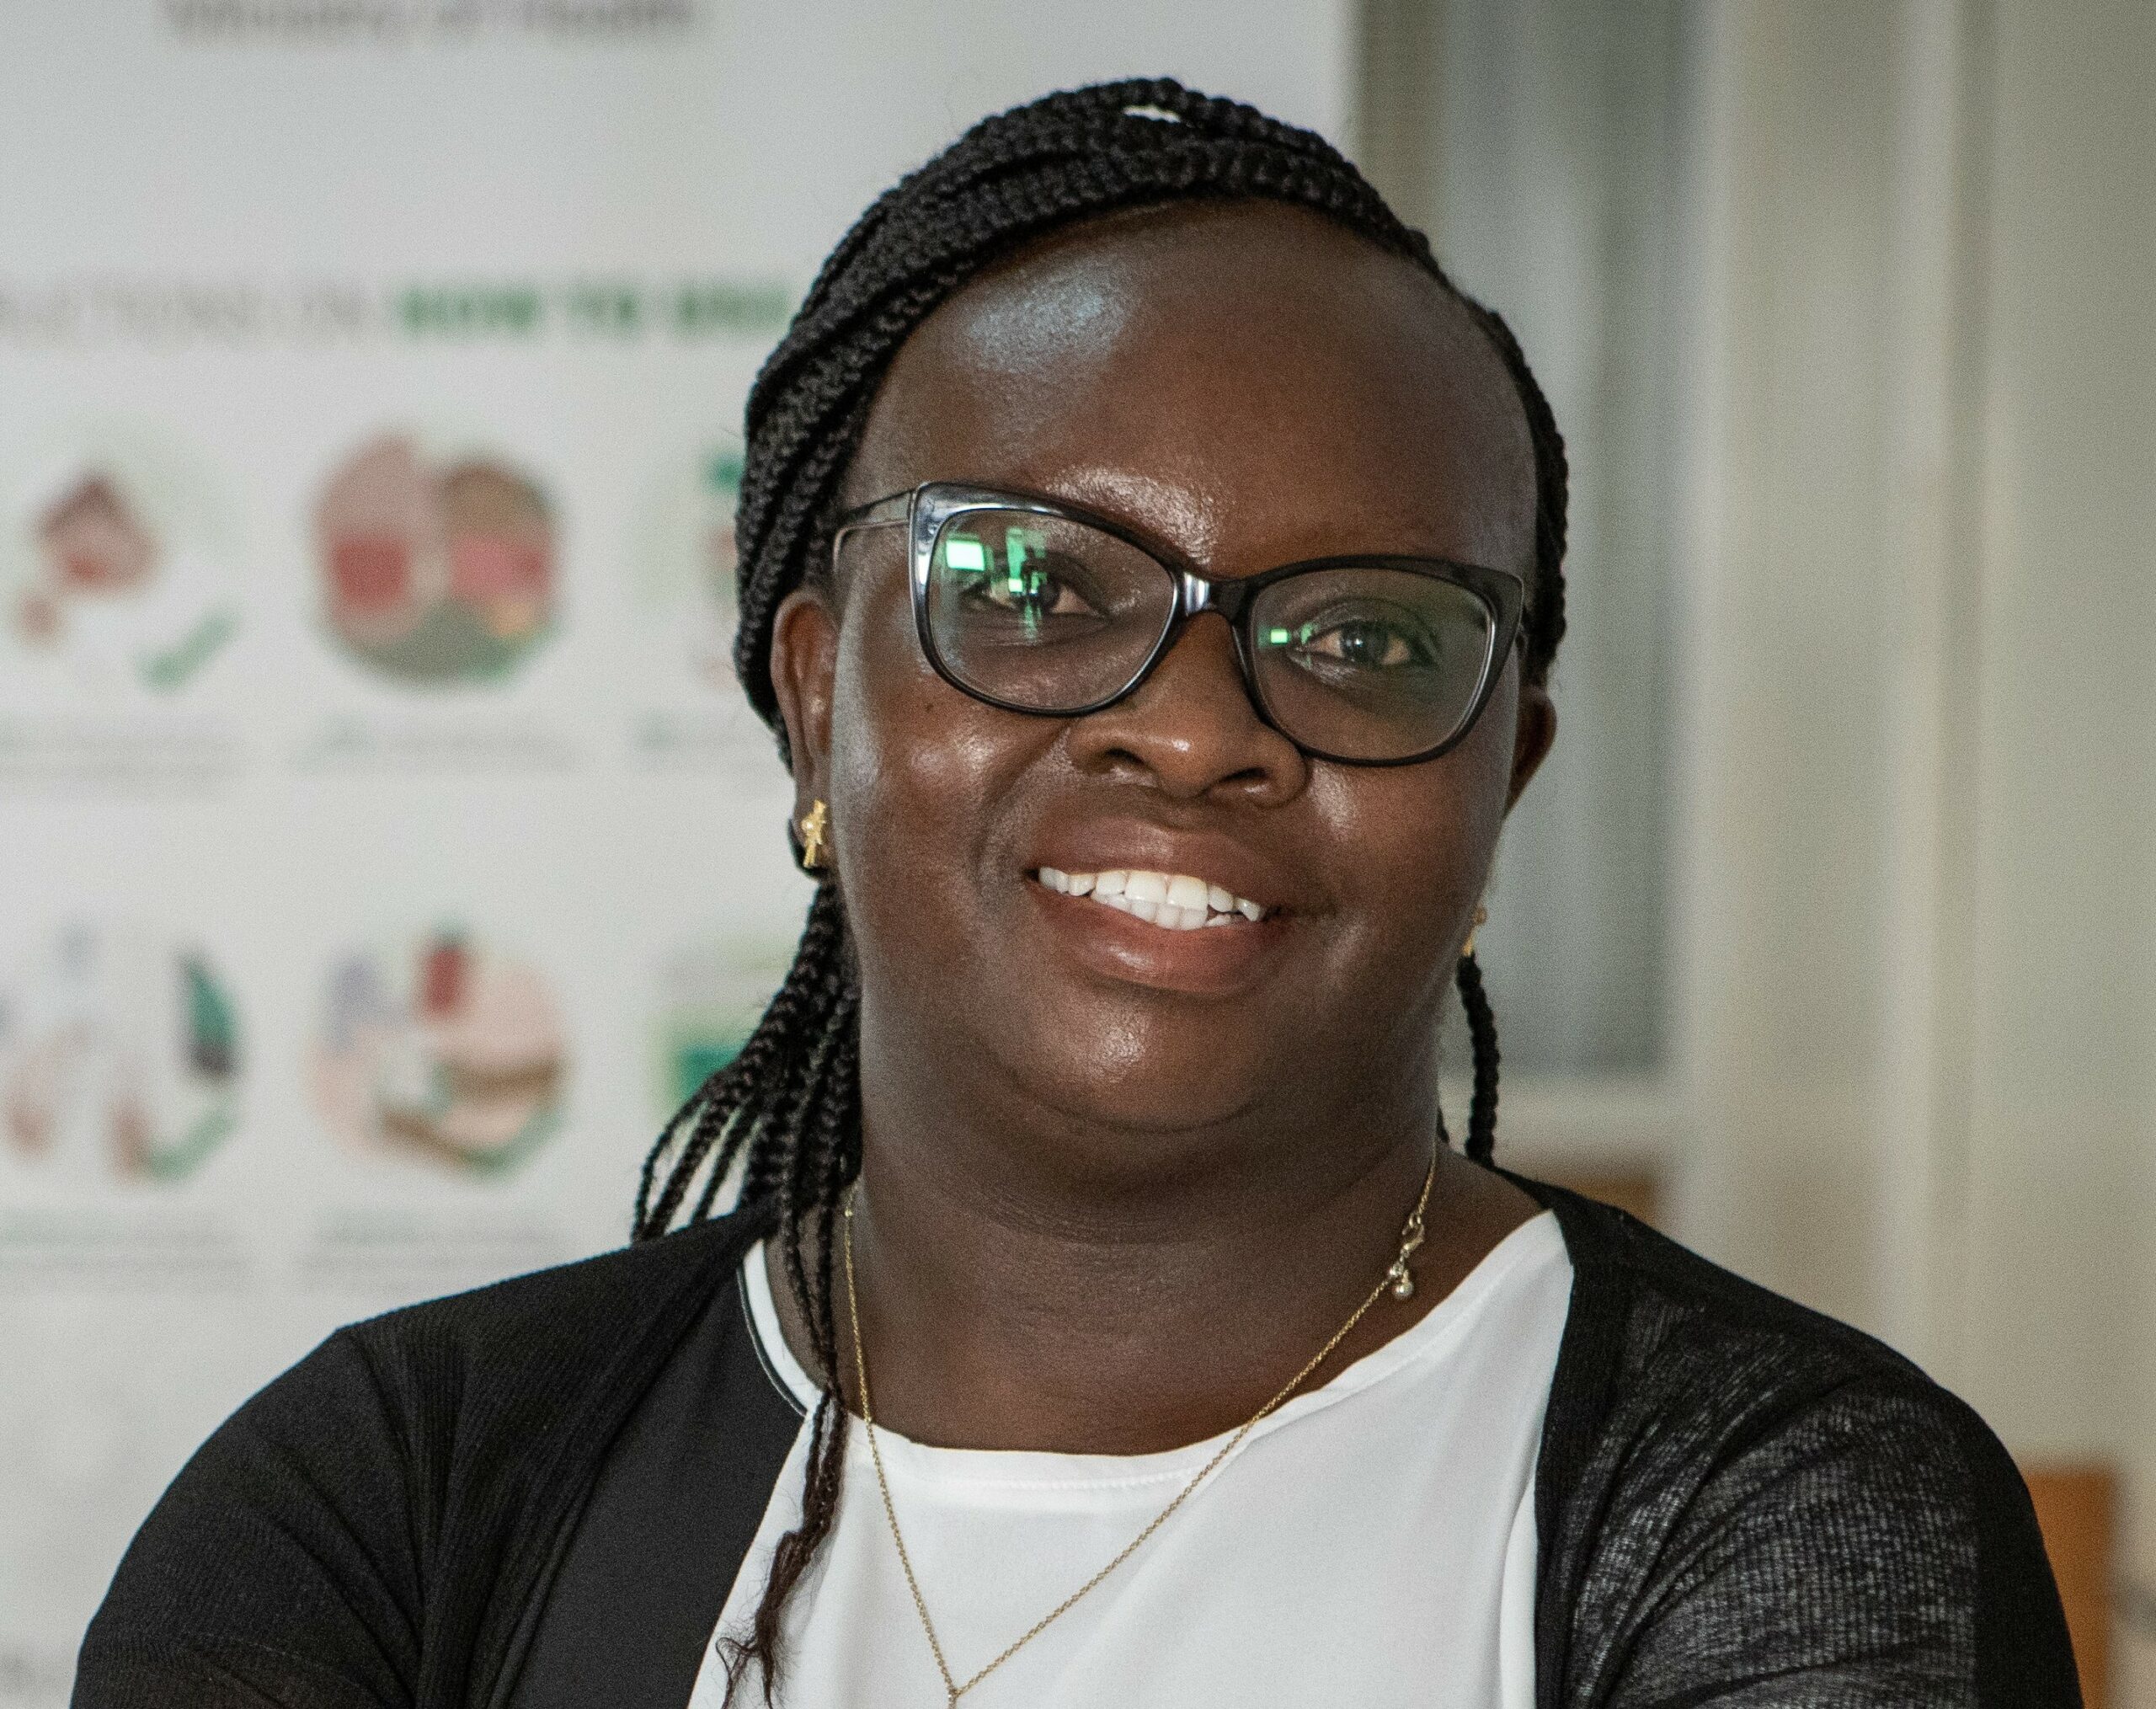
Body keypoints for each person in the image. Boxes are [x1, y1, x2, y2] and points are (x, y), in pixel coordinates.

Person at [75, 79, 2079, 1709]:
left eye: (1366, 638)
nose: (1195, 729)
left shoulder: (1780, 1506)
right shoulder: (397, 1496)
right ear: (808, 694)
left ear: (1499, 780)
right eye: (1032, 589)